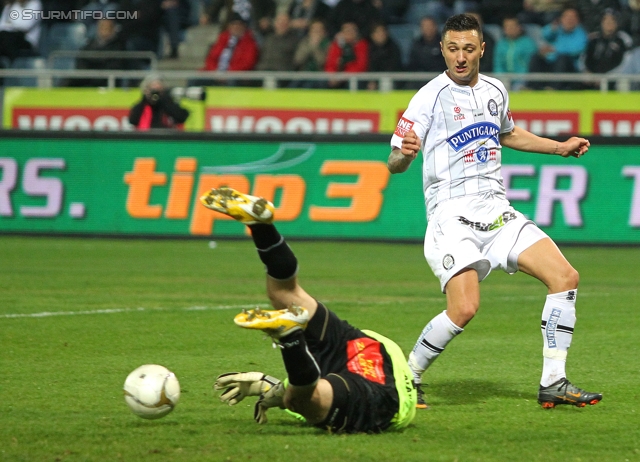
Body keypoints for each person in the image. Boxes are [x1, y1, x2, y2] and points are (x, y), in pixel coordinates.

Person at [387, 14, 602, 411]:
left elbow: (508, 133)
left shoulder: (495, 90)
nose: (461, 57)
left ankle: (553, 381)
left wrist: (559, 147)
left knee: (565, 276)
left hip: (495, 208)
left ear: (482, 49)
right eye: (453, 49)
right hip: (451, 214)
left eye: (469, 49)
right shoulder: (427, 97)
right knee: (465, 308)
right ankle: (408, 374)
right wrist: (404, 154)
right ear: (442, 50)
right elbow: (394, 161)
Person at [200, 187, 417, 433]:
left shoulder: (333, 385)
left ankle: (262, 227)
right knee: (303, 400)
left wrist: (265, 387)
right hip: (378, 380)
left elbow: (302, 390)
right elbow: (303, 391)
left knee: (285, 294)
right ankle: (289, 334)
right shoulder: (332, 390)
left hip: (369, 354)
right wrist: (275, 393)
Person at [527, 7, 588, 90]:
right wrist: (552, 28)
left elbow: (578, 48)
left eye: (572, 17)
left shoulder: (580, 33)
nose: (569, 20)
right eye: (566, 17)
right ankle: (533, 87)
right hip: (552, 63)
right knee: (536, 57)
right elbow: (543, 34)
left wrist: (555, 49)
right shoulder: (557, 29)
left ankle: (554, 88)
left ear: (577, 20)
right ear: (561, 19)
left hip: (569, 67)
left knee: (562, 58)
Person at [71, 18, 126, 87]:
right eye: (102, 27)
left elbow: (115, 66)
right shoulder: (89, 45)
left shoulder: (119, 46)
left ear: (113, 30)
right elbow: (81, 62)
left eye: (107, 28)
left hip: (106, 81)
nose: (104, 31)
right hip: (86, 79)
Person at [493, 16, 538, 90]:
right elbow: (498, 65)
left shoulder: (528, 43)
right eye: (507, 26)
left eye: (512, 26)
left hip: (523, 79)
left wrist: (519, 78)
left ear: (519, 27)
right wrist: (502, 78)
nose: (510, 29)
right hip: (505, 79)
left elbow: (530, 65)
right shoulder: (500, 44)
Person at [584, 10, 632, 75]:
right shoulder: (593, 38)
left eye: (612, 20)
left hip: (614, 78)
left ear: (617, 23)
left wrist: (608, 77)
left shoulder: (623, 39)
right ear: (601, 23)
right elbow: (584, 57)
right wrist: (587, 72)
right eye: (605, 20)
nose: (608, 23)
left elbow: (626, 62)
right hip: (591, 78)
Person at [324, 21, 369, 88]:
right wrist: (333, 76)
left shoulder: (362, 45)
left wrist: (343, 77)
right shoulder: (336, 45)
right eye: (347, 31)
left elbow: (361, 66)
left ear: (356, 33)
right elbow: (330, 64)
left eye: (352, 30)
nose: (349, 33)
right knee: (322, 82)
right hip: (337, 77)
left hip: (354, 77)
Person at [291, 18, 330, 88]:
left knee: (308, 86)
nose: (316, 32)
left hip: (320, 74)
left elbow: (322, 61)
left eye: (319, 30)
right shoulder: (304, 42)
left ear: (324, 32)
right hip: (304, 73)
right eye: (314, 30)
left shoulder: (328, 44)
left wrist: (315, 47)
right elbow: (298, 60)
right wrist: (310, 46)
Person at [366, 22, 404, 90]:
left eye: (383, 31)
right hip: (372, 79)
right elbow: (369, 66)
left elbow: (394, 66)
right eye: (377, 32)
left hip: (391, 79)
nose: (381, 34)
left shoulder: (393, 47)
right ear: (372, 35)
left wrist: (377, 81)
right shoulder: (368, 48)